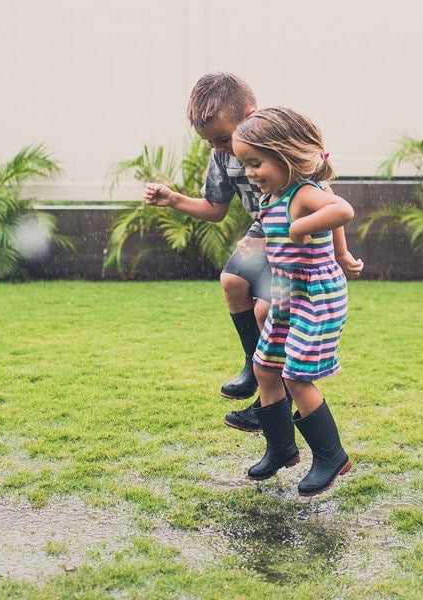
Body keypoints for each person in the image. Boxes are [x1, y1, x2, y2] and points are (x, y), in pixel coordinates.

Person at [144, 73, 362, 433]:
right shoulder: (221, 155)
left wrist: (340, 253)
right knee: (231, 279)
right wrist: (174, 200)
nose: (218, 147)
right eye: (210, 142)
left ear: (249, 114)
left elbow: (330, 202)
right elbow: (216, 209)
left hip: (290, 238)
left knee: (265, 310)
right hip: (263, 231)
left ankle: (270, 393)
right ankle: (254, 366)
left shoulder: (277, 145)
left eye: (222, 138)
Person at [231, 107, 354, 497]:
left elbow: (342, 210)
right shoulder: (273, 197)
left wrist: (305, 228)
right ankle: (281, 447)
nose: (250, 172)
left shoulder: (304, 193)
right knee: (265, 367)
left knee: (295, 375)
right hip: (285, 290)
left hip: (316, 295)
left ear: (285, 155)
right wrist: (255, 245)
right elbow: (284, 234)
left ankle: (331, 456)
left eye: (256, 162)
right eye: (245, 164)